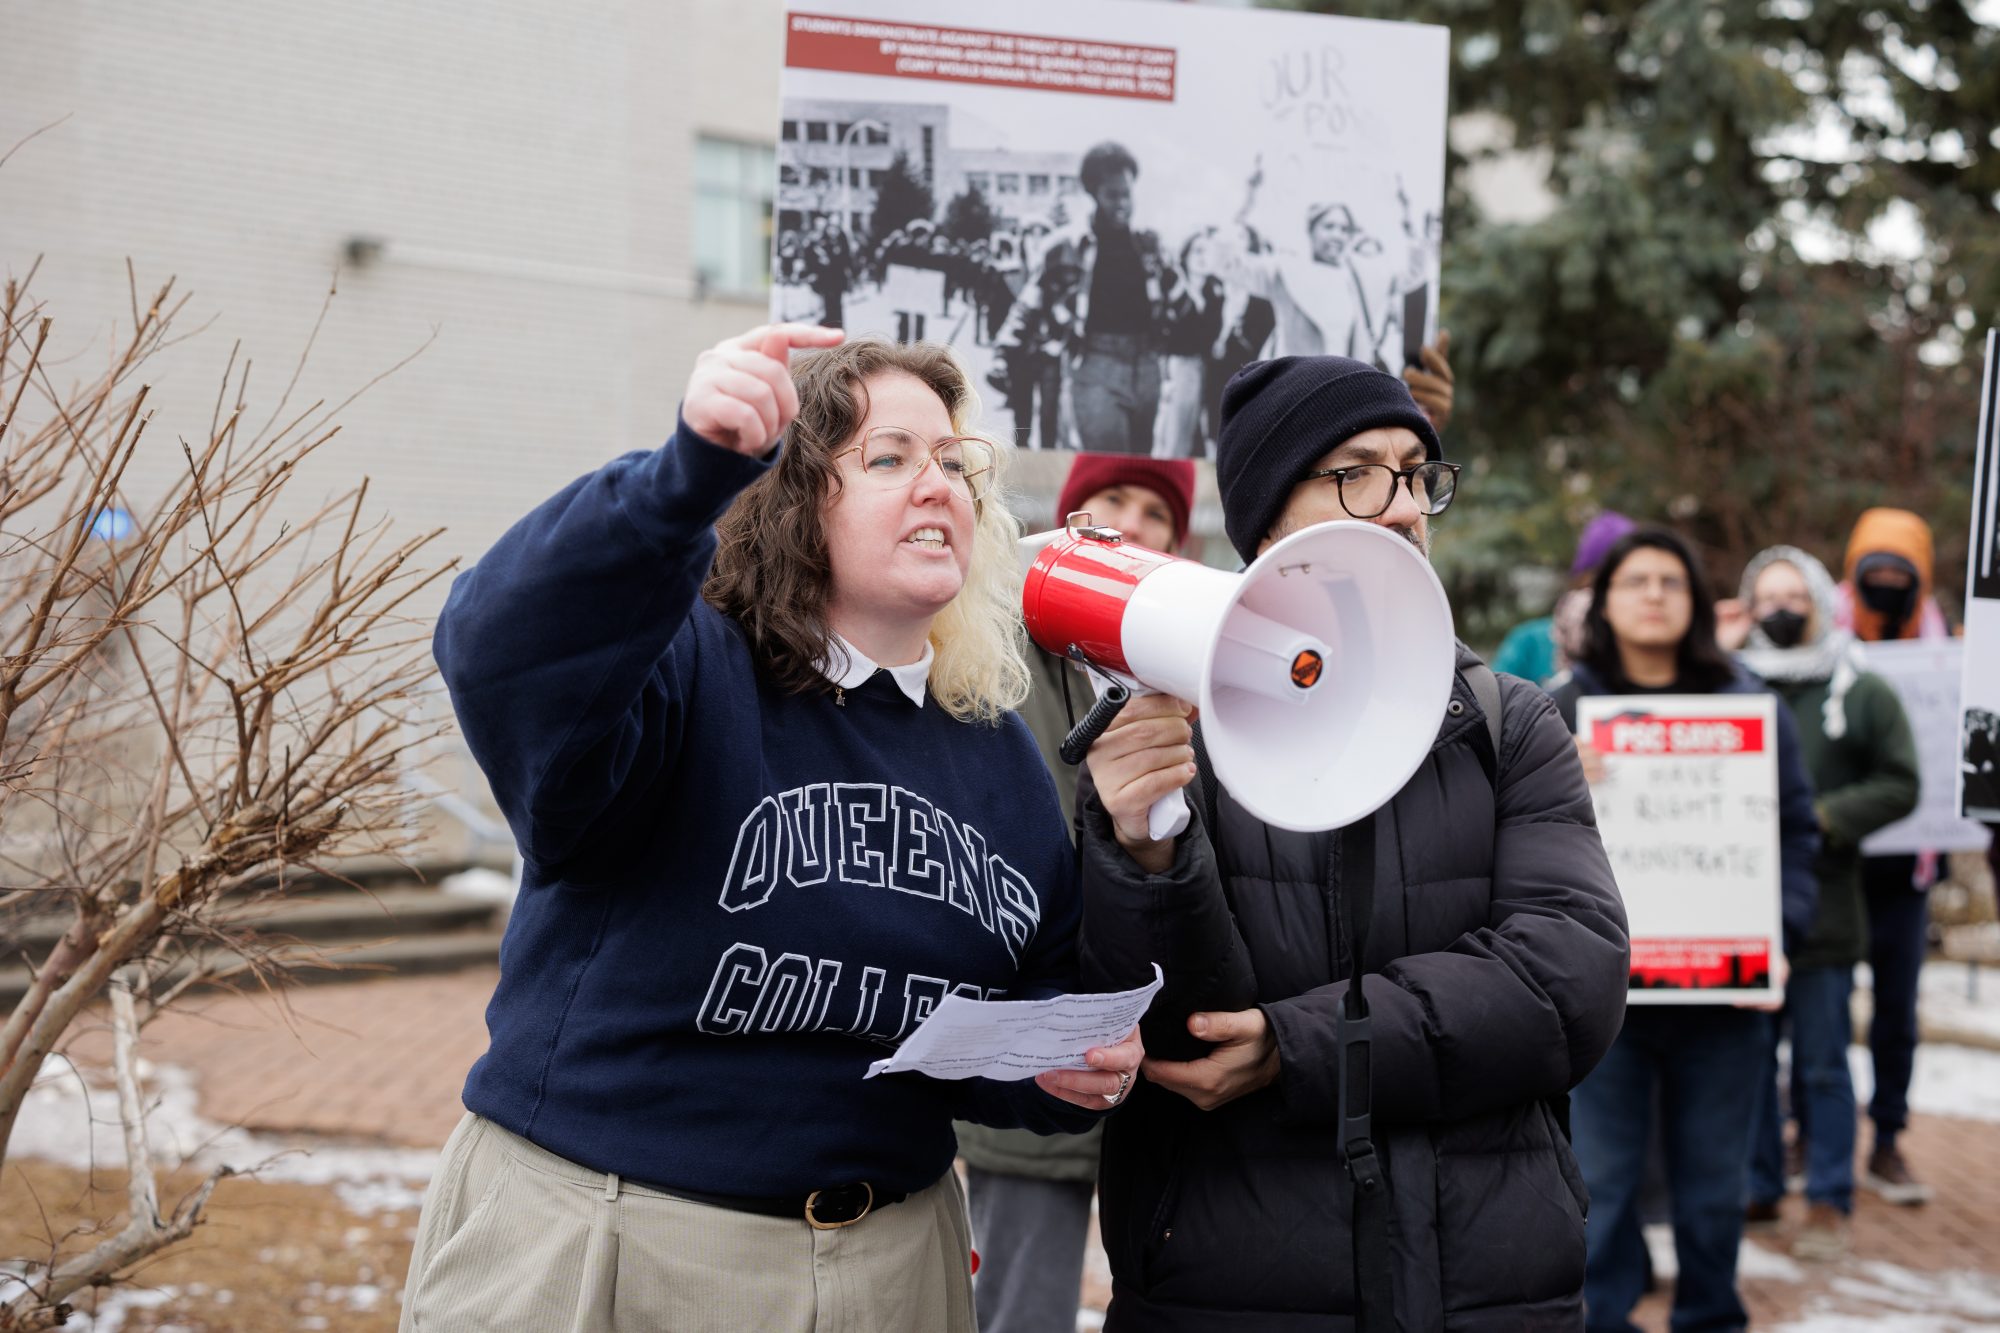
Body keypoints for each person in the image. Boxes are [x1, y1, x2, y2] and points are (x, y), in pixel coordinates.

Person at [402, 324, 1143, 1331]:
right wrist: (682, 475)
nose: (936, 484)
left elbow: (1028, 992)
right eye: (887, 458)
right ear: (795, 499)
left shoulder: (998, 751)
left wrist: (1063, 1065)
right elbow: (495, 643)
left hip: (894, 1268)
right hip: (609, 1244)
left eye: (951, 461)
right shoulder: (686, 666)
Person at [1076, 355, 1632, 1329]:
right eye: (1356, 472)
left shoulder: (1506, 724)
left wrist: (1310, 1047)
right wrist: (1144, 845)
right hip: (1226, 1285)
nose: (1404, 504)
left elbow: (1567, 980)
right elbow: (1168, 1031)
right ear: (1264, 518)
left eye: (1417, 472)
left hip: (1487, 1285)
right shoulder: (1169, 726)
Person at [1550, 526, 1821, 1333]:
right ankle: (1607, 1319)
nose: (1656, 594)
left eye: (1673, 580)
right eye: (1638, 580)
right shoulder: (1561, 708)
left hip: (1724, 998)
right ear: (1605, 602)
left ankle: (1711, 1315)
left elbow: (1799, 834)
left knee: (1714, 1183)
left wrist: (1781, 937)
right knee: (1602, 1178)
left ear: (1699, 603)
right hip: (1610, 1007)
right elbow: (1514, 837)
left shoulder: (1750, 704)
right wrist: (1560, 769)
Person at [959, 454, 1197, 1333]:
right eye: (1106, 502)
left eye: (1153, 511)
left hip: (1167, 1035)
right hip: (1038, 1026)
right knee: (1022, 1296)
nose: (1129, 524)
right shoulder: (993, 647)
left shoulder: (1190, 661)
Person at [1728, 545, 1919, 1261]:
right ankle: (1759, 1187)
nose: (1782, 609)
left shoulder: (1860, 688)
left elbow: (1902, 780)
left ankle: (1829, 1198)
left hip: (1828, 913)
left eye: (1794, 596)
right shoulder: (1733, 683)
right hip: (1745, 908)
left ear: (1817, 600)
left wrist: (1825, 818)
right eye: (1766, 596)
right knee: (1749, 1061)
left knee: (1822, 1063)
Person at [1833, 507, 1951, 1205]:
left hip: (1910, 865)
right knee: (1821, 1006)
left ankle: (1887, 1136)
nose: (1884, 586)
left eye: (1897, 577)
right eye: (1871, 574)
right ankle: (1810, 1129)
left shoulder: (1951, 649)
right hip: (1836, 859)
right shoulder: (1824, 638)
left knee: (1897, 1011)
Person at [996, 141, 1170, 454]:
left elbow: (1179, 302)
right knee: (1110, 468)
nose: (1122, 204)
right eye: (1112, 195)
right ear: (1094, 194)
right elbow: (1030, 302)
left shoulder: (1149, 243)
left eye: (1127, 194)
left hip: (1147, 367)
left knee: (1142, 468)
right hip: (1095, 365)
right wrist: (1004, 352)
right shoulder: (1064, 247)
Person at [1493, 511, 1637, 686]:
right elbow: (1493, 704)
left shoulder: (1647, 645)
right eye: (1600, 579)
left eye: (1631, 582)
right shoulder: (1530, 643)